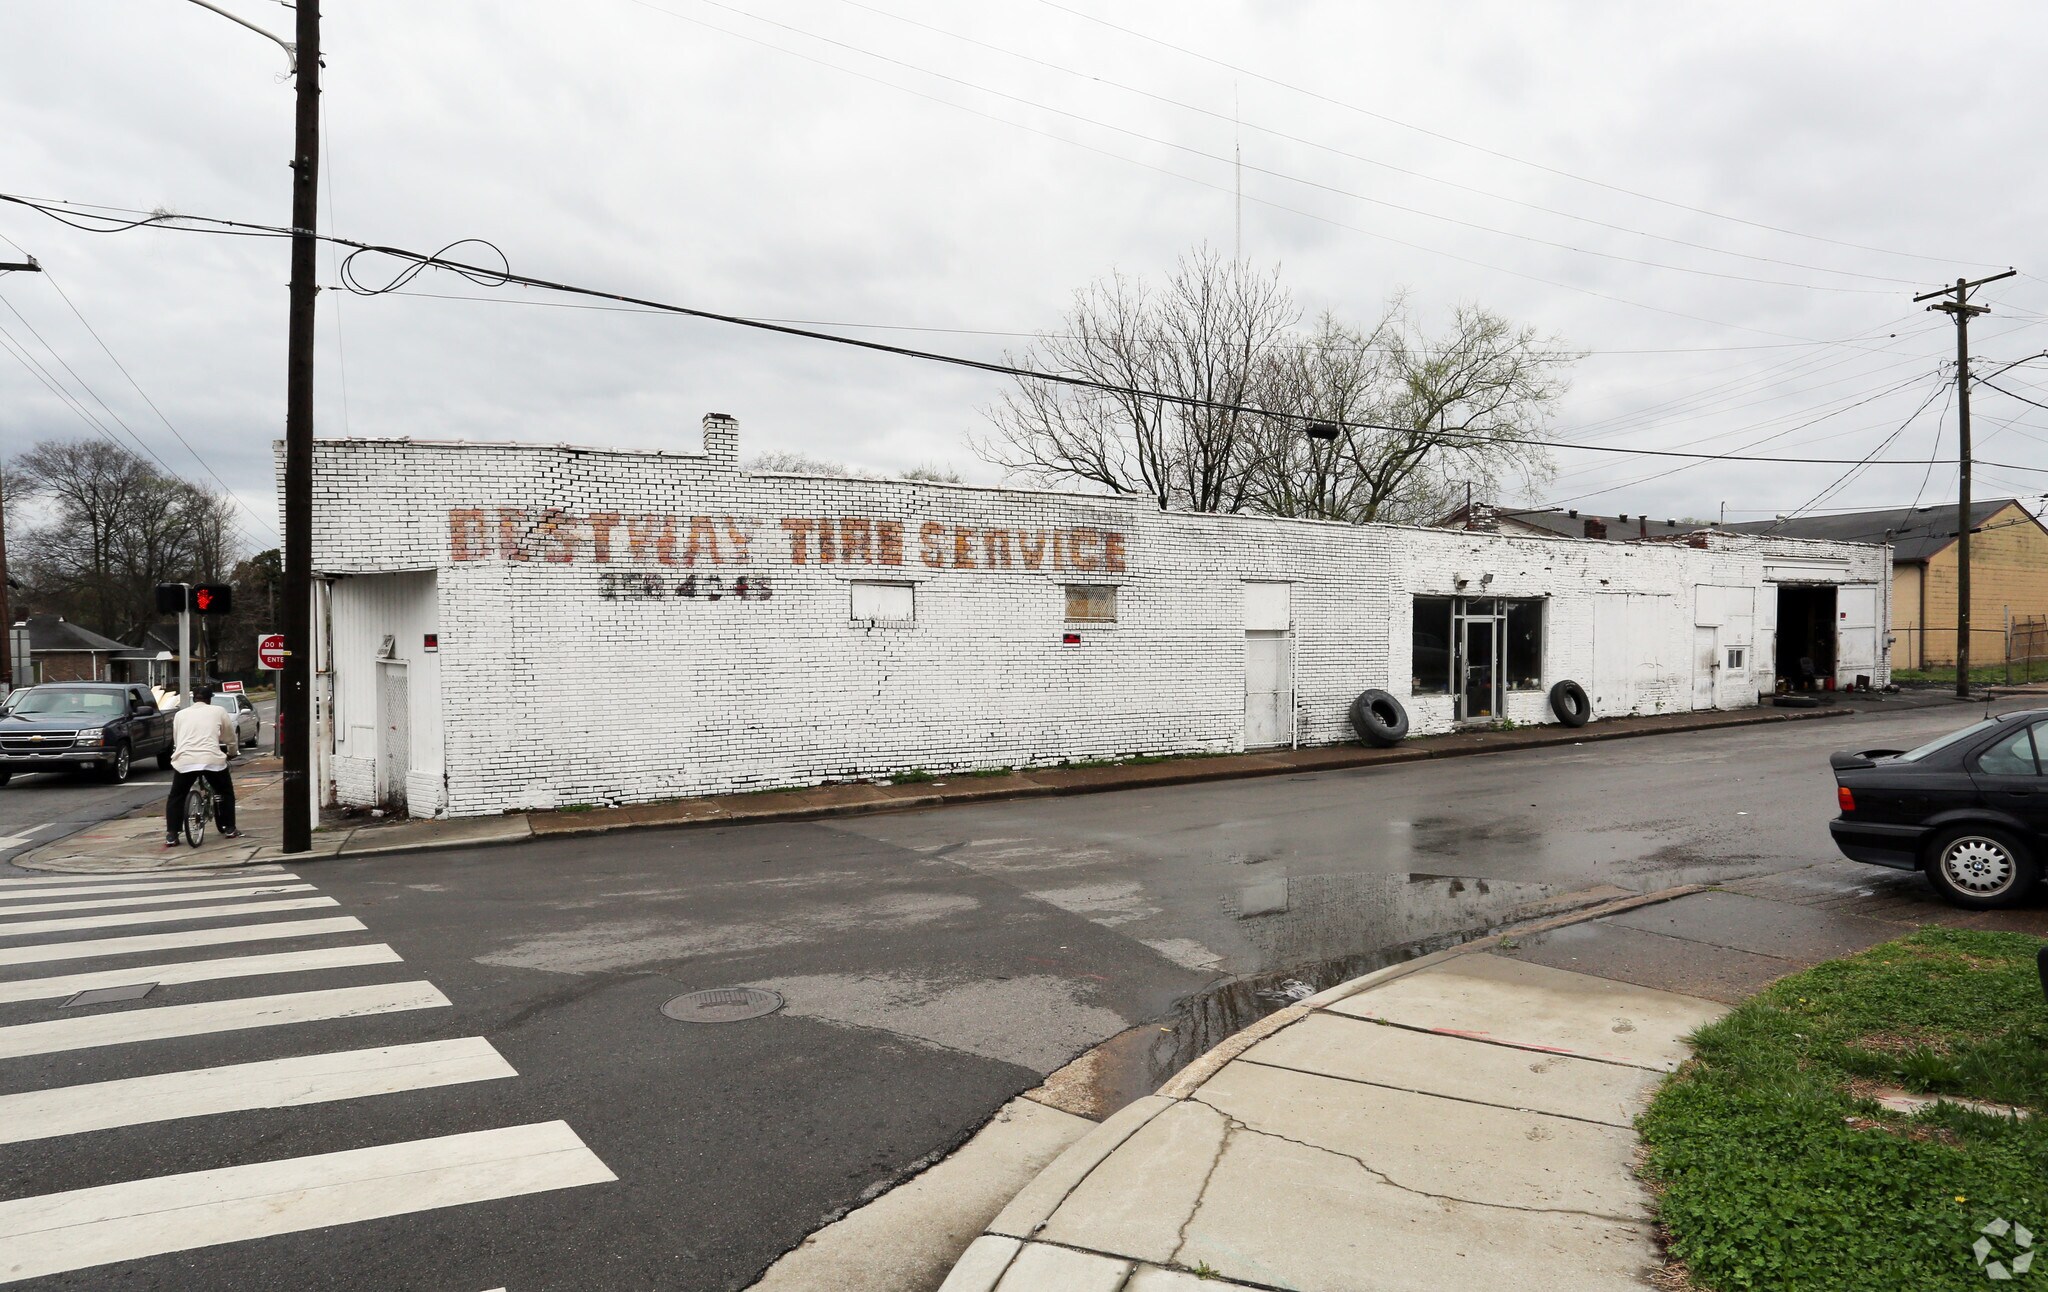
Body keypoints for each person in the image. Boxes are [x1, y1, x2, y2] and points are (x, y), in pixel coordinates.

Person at [165, 683, 242, 846]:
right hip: (211, 760)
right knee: (226, 791)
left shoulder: (180, 714)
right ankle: (230, 828)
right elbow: (230, 737)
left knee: (176, 796)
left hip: (185, 760)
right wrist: (232, 752)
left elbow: (178, 740)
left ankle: (172, 834)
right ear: (210, 699)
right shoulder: (218, 711)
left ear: (194, 698)